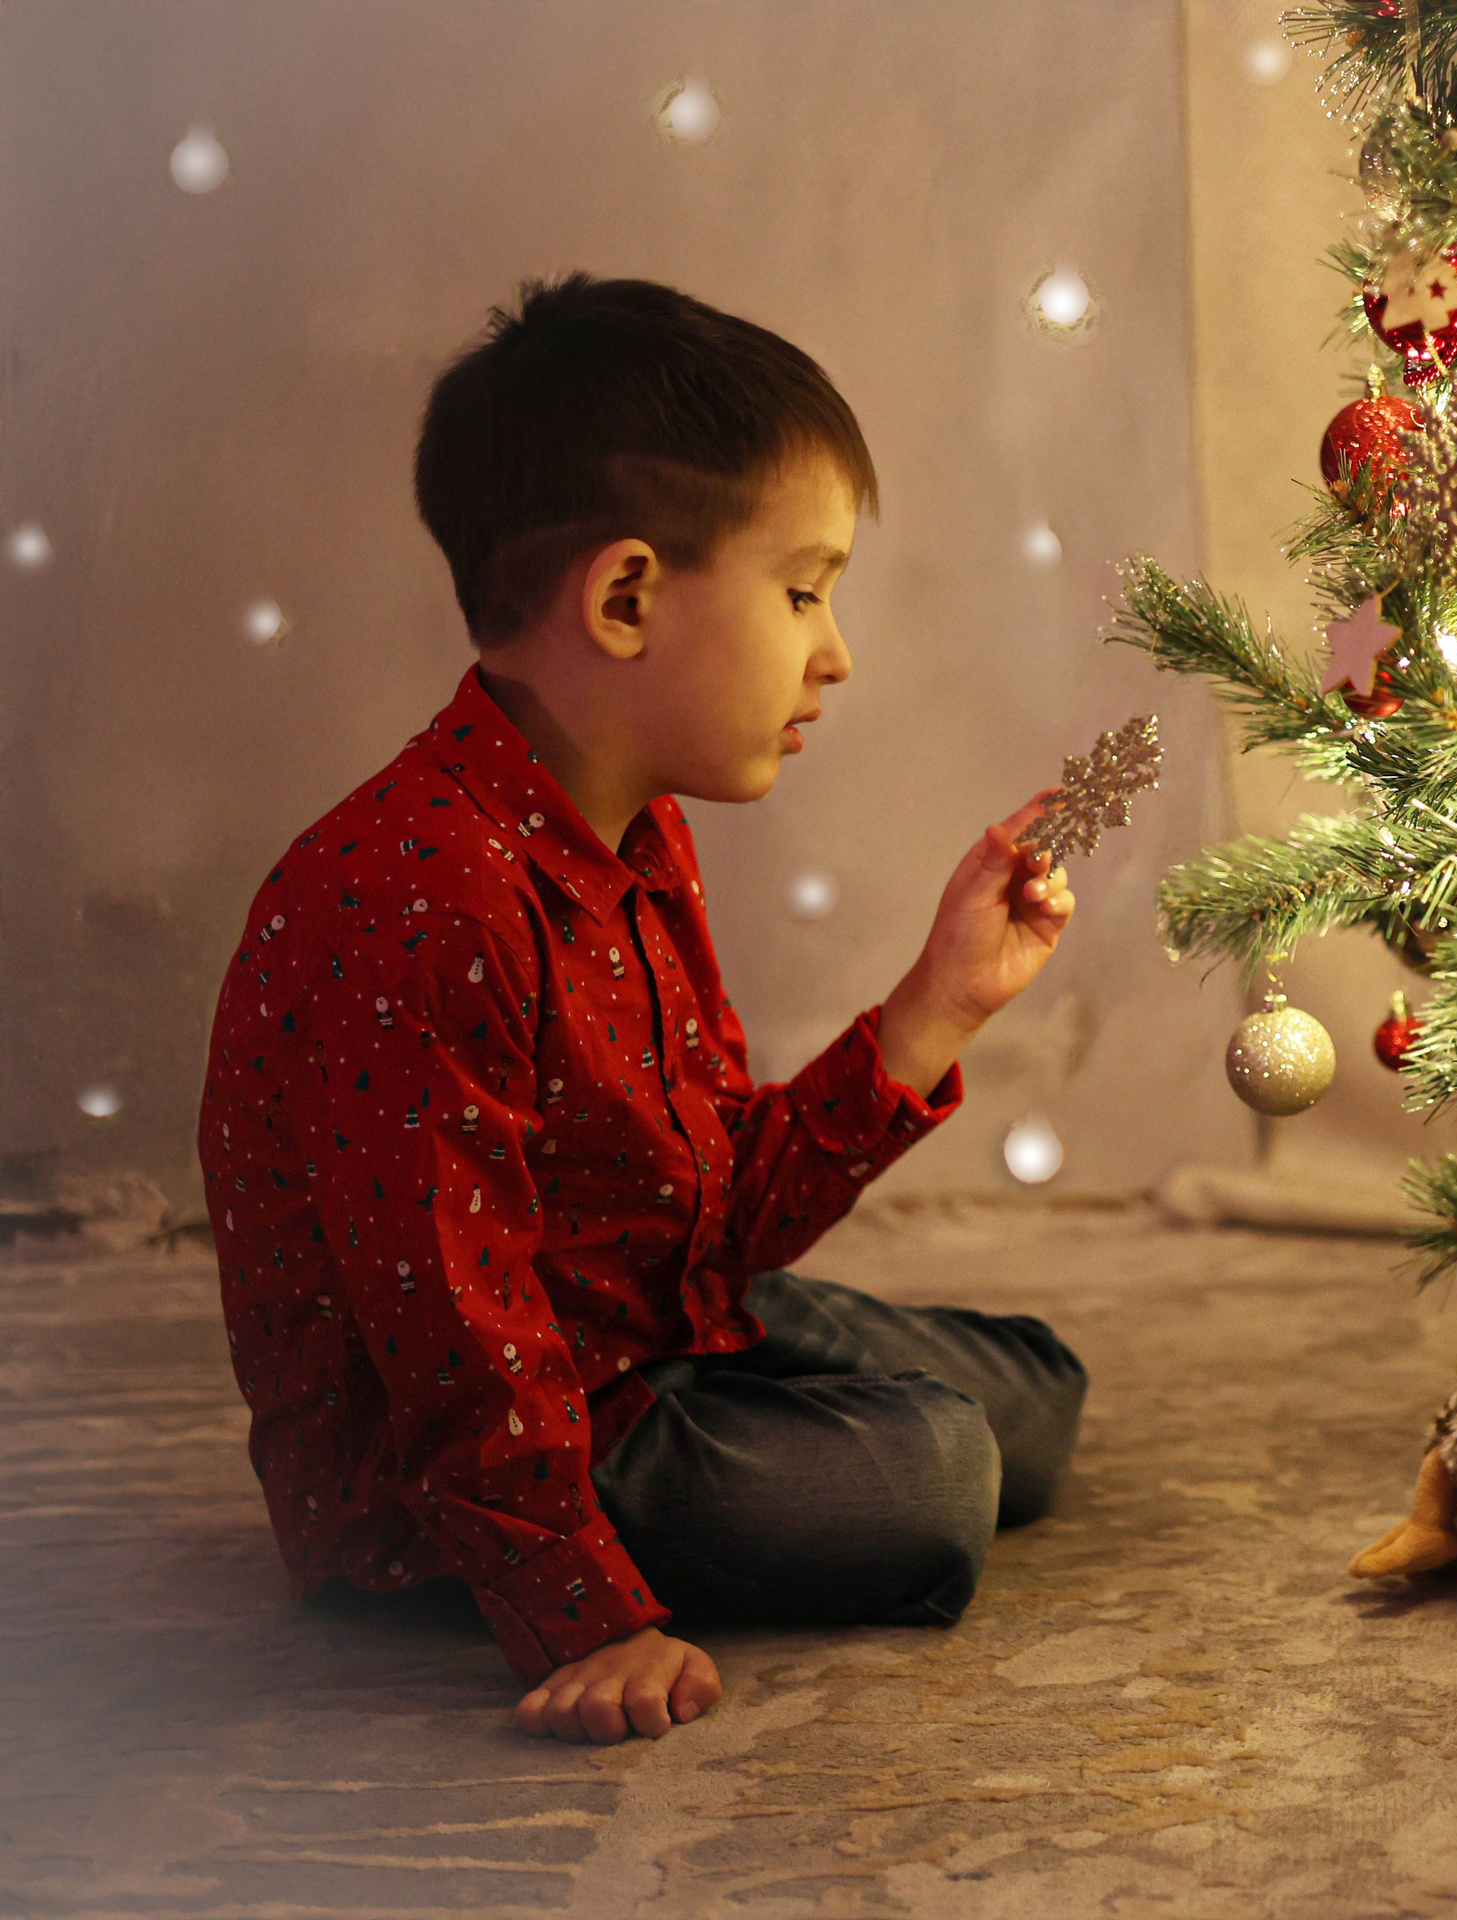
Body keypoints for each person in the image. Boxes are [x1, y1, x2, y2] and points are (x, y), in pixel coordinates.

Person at [198, 275, 1087, 1747]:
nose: (836, 651)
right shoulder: (421, 900)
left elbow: (717, 1207)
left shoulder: (635, 837)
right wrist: (582, 1612)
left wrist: (940, 1003)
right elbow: (449, 1333)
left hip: (636, 1323)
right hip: (462, 1458)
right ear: (624, 599)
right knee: (934, 1477)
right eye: (802, 589)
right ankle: (665, 1496)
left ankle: (796, 1421)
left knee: (1035, 1395)